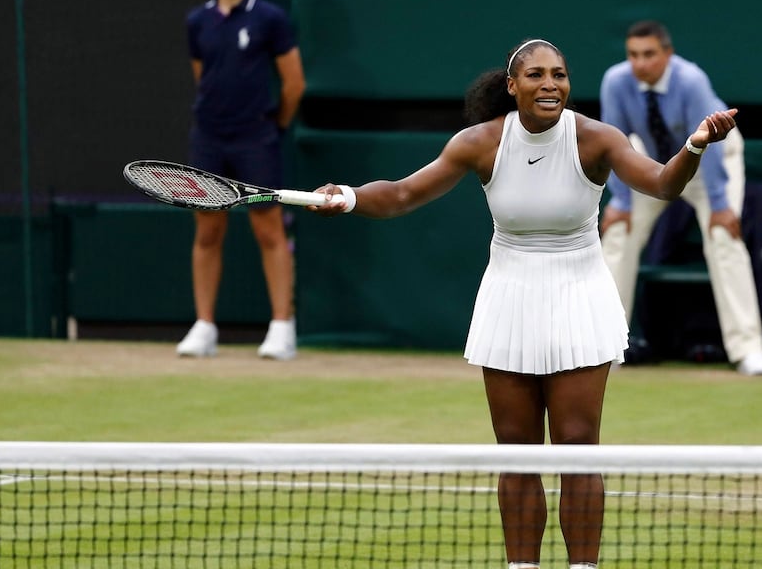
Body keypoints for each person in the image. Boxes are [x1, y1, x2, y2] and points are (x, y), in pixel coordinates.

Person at [306, 38, 738, 569]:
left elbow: (661, 184)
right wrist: (347, 197)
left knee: (578, 447)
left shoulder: (596, 139)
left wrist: (694, 145)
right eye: (536, 75)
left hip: (580, 295)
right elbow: (399, 195)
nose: (550, 84)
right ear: (513, 86)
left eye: (558, 74)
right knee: (515, 451)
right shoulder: (479, 142)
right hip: (508, 297)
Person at [598, 20, 762, 376]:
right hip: (653, 162)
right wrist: (619, 200)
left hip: (711, 158)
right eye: (633, 55)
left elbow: (708, 143)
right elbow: (615, 141)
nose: (640, 63)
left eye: (649, 54)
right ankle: (605, 347)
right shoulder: (616, 82)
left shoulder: (691, 80)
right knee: (618, 234)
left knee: (724, 236)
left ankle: (749, 349)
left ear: (668, 54)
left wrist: (721, 206)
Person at [176, 0, 306, 360]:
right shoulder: (197, 21)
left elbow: (293, 84)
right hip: (209, 138)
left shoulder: (270, 18)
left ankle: (282, 328)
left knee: (269, 229)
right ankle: (204, 327)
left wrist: (273, 126)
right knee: (207, 230)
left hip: (256, 137)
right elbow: (204, 77)